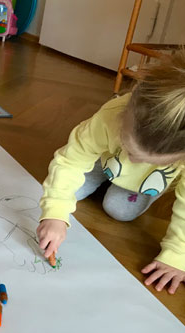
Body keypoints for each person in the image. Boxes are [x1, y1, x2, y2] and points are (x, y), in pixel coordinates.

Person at [37, 51, 185, 294]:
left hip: (144, 184)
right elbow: (70, 162)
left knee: (119, 210)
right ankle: (107, 172)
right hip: (104, 160)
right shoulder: (109, 116)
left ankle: (141, 180)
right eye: (127, 146)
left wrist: (177, 255)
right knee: (70, 191)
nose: (133, 159)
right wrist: (54, 214)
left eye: (146, 160)